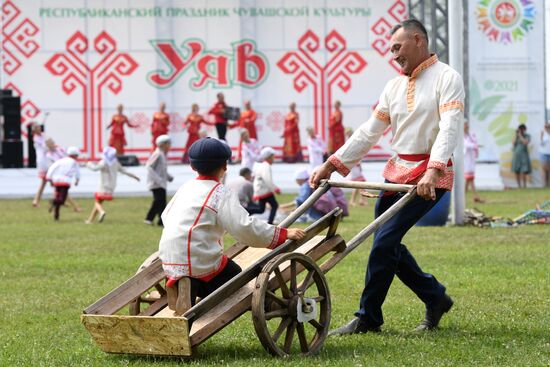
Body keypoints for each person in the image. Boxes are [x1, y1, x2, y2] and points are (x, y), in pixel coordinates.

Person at [310, 19, 464, 334]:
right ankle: (435, 297)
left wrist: (434, 170)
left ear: (418, 40)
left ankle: (368, 318)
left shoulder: (447, 77)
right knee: (386, 242)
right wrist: (333, 163)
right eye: (391, 49)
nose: (393, 55)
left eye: (398, 47)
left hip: (427, 176)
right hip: (395, 174)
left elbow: (450, 125)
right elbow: (369, 132)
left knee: (384, 243)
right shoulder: (393, 86)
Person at [158, 138, 306, 303]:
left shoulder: (185, 188)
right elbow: (244, 227)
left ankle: (185, 286)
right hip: (199, 262)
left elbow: (166, 216)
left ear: (192, 167)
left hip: (170, 260)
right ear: (225, 167)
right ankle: (194, 288)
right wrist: (283, 234)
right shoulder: (220, 193)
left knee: (203, 264)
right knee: (235, 275)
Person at [85, 146, 140, 224]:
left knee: (97, 202)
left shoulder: (103, 162)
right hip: (112, 186)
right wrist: (134, 176)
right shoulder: (115, 162)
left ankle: (101, 212)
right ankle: (90, 220)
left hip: (104, 186)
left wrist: (88, 163)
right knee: (99, 202)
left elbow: (94, 168)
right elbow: (124, 170)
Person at [280, 169, 349, 222]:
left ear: (299, 179)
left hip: (322, 208)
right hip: (334, 208)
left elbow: (301, 201)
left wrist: (283, 207)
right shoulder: (310, 183)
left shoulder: (305, 185)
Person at [46, 146, 81, 221]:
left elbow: (52, 168)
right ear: (75, 155)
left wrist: (49, 178)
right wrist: (77, 180)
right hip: (65, 182)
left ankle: (56, 216)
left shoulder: (61, 160)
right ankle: (53, 201)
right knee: (62, 200)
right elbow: (77, 172)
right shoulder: (74, 162)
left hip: (56, 181)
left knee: (58, 197)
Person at [145, 135, 173, 226]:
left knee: (160, 202)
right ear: (162, 144)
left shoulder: (162, 154)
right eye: (168, 144)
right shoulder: (157, 154)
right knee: (159, 201)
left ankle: (158, 221)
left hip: (161, 183)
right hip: (156, 184)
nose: (170, 146)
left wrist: (169, 177)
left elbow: (162, 170)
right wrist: (158, 179)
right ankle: (151, 219)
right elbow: (149, 166)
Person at [253, 147, 281, 224]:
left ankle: (247, 210)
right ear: (268, 157)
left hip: (261, 190)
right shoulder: (266, 166)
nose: (273, 159)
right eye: (272, 157)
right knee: (274, 205)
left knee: (261, 209)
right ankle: (270, 222)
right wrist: (275, 189)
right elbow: (267, 179)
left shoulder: (262, 165)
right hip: (264, 190)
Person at [345, 128, 367, 206]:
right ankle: (357, 200)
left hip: (356, 164)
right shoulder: (349, 143)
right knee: (359, 183)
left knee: (360, 183)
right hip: (354, 164)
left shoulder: (353, 141)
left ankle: (360, 200)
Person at [464, 121, 484, 202]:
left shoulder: (471, 134)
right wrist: (474, 145)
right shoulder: (462, 136)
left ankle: (474, 196)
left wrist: (475, 145)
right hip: (466, 158)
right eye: (465, 125)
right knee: (468, 179)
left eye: (467, 125)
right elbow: (467, 145)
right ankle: (474, 196)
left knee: (470, 179)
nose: (467, 126)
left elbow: (474, 142)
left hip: (471, 158)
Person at [31, 123, 48, 207]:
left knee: (45, 182)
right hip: (42, 161)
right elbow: (46, 146)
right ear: (34, 130)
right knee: (47, 181)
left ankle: (36, 200)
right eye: (37, 128)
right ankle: (36, 200)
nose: (40, 128)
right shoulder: (36, 138)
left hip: (46, 160)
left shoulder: (42, 135)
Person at [512, 124, 531, 188]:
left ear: (524, 129)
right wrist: (516, 135)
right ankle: (519, 185)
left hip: (524, 155)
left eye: (522, 129)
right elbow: (513, 143)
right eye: (520, 129)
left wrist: (520, 136)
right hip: (516, 155)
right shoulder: (516, 136)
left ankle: (524, 185)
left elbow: (525, 142)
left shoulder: (527, 136)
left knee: (524, 170)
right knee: (516, 170)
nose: (521, 130)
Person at [539, 121, 550, 187]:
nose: (547, 128)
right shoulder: (544, 134)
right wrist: (541, 136)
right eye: (546, 127)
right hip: (544, 153)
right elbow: (541, 144)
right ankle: (543, 184)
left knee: (549, 169)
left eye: (548, 126)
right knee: (543, 168)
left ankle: (548, 184)